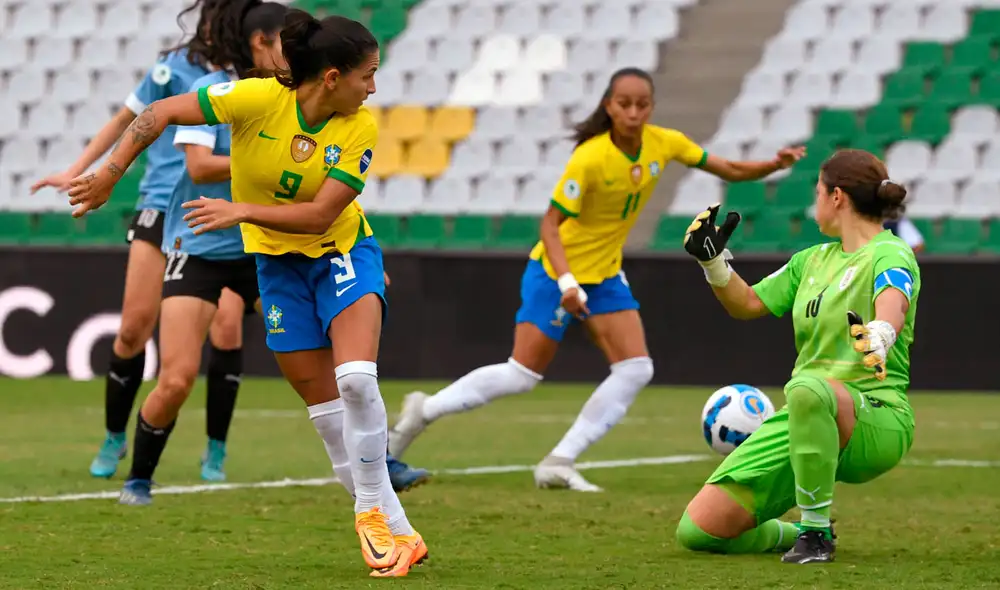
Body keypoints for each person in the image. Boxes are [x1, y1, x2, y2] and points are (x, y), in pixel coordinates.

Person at [66, 11, 425, 579]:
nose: (374, 87)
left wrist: (241, 209)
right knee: (330, 420)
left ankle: (367, 514)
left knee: (356, 381)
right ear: (331, 77)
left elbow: (319, 215)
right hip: (276, 268)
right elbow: (157, 112)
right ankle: (399, 532)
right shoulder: (255, 99)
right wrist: (112, 172)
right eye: (368, 75)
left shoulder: (360, 126)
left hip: (341, 253)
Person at [387, 67, 804, 491]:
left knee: (636, 368)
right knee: (522, 375)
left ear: (651, 108)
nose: (634, 112)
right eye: (625, 104)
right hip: (556, 272)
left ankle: (559, 460)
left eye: (642, 105)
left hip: (604, 275)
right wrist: (567, 283)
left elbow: (729, 168)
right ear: (609, 106)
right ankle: (426, 409)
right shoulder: (590, 157)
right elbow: (550, 226)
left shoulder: (665, 142)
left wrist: (772, 164)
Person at [31, 0, 249, 481]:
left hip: (210, 213)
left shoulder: (248, 79)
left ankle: (216, 448)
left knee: (227, 328)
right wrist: (77, 169)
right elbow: (125, 120)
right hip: (157, 206)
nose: (212, 22)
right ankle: (114, 437)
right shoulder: (173, 70)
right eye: (210, 13)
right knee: (133, 327)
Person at [674, 149, 918, 564]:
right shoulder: (811, 260)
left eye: (818, 192)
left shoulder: (890, 252)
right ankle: (791, 532)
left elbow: (893, 298)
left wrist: (881, 332)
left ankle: (815, 534)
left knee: (805, 387)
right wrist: (713, 263)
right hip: (807, 413)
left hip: (876, 416)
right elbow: (747, 303)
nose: (814, 202)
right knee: (698, 531)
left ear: (836, 197)